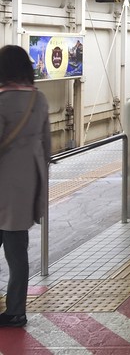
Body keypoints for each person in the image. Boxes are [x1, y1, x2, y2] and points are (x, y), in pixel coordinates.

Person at [0, 45, 51, 328]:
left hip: (3, 186)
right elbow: (46, 144)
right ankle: (16, 310)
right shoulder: (39, 99)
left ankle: (14, 311)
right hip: (26, 186)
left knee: (15, 253)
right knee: (17, 253)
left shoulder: (2, 102)